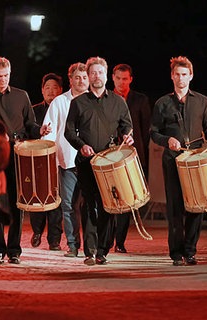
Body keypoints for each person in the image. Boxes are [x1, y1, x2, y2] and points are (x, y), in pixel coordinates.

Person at [0, 56, 50, 264]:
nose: (3, 80)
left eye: (6, 76)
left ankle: (14, 250)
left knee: (18, 202)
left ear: (10, 74)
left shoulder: (22, 96)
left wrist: (39, 130)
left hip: (19, 153)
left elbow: (30, 124)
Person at [150, 56, 207, 266]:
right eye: (177, 75)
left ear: (191, 76)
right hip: (172, 159)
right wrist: (167, 140)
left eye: (184, 75)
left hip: (195, 159)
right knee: (175, 207)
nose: (181, 79)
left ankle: (190, 251)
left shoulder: (202, 101)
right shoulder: (162, 103)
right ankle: (176, 253)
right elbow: (154, 133)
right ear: (172, 76)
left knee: (197, 205)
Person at [65, 56, 133, 266]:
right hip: (87, 162)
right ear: (88, 76)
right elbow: (68, 131)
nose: (96, 76)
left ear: (106, 75)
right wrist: (81, 145)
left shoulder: (118, 102)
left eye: (100, 72)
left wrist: (128, 136)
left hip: (110, 163)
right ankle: (90, 250)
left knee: (108, 206)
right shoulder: (78, 103)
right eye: (92, 73)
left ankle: (103, 250)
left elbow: (126, 126)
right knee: (88, 204)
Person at [43, 62, 89, 257]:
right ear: (70, 80)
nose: (81, 81)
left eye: (84, 77)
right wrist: (50, 160)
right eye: (77, 77)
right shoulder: (59, 102)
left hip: (91, 161)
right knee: (69, 205)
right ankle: (72, 245)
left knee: (90, 205)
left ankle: (92, 245)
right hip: (67, 161)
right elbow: (49, 133)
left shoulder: (95, 101)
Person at [108, 63, 152, 254]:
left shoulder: (140, 100)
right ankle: (106, 239)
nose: (121, 82)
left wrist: (137, 152)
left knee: (126, 201)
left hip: (131, 156)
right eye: (118, 78)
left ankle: (120, 241)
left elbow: (145, 130)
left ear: (130, 80)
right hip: (108, 155)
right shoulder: (106, 98)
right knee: (108, 199)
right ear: (112, 78)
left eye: (125, 79)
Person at [28, 72, 64, 251]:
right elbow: (28, 131)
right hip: (38, 162)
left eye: (54, 88)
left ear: (61, 90)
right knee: (38, 198)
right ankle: (36, 231)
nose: (51, 91)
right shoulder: (34, 110)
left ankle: (55, 239)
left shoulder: (66, 108)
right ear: (42, 91)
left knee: (56, 201)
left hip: (59, 160)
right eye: (47, 88)